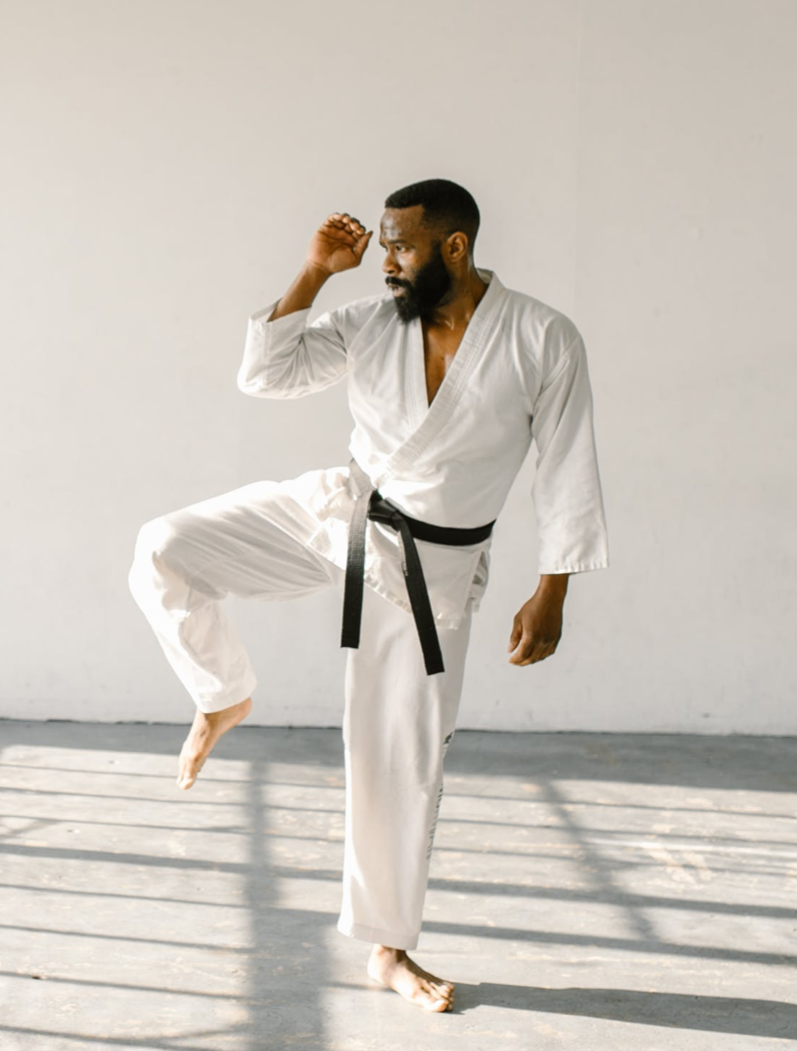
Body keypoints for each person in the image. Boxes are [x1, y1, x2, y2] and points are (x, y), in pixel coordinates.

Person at [128, 179, 609, 1012]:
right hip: (343, 511)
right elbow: (265, 373)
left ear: (453, 248)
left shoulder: (540, 337)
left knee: (396, 764)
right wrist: (315, 271)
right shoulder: (373, 320)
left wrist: (551, 587)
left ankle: (388, 950)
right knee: (164, 547)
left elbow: (565, 467)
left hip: (432, 573)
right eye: (381, 246)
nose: (384, 262)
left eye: (400, 246)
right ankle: (222, 692)